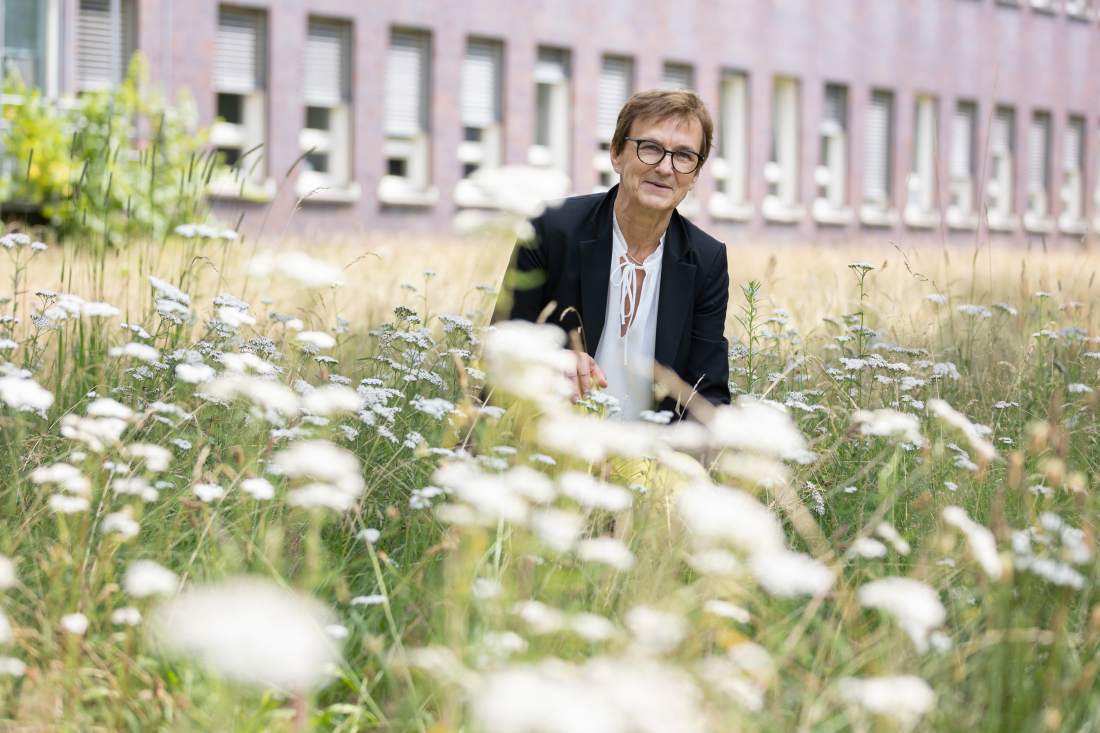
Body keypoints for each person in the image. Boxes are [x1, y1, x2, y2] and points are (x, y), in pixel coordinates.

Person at [496, 88, 730, 420]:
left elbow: (708, 394)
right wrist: (555, 362)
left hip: (651, 463)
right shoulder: (552, 228)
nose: (665, 168)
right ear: (616, 154)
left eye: (683, 156)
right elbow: (502, 344)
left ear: (694, 176)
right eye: (650, 148)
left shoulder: (707, 261)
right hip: (553, 449)